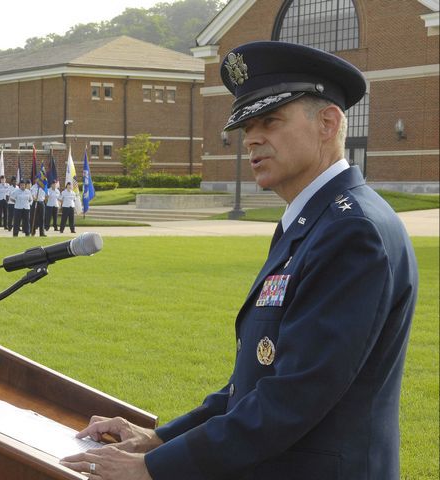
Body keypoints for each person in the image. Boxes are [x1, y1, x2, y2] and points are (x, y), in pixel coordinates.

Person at [60, 41, 419, 480]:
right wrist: (158, 438)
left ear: (328, 122)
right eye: (247, 124)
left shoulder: (351, 230)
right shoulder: (312, 220)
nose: (250, 138)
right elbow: (253, 383)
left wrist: (152, 468)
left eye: (270, 120)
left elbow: (294, 397)